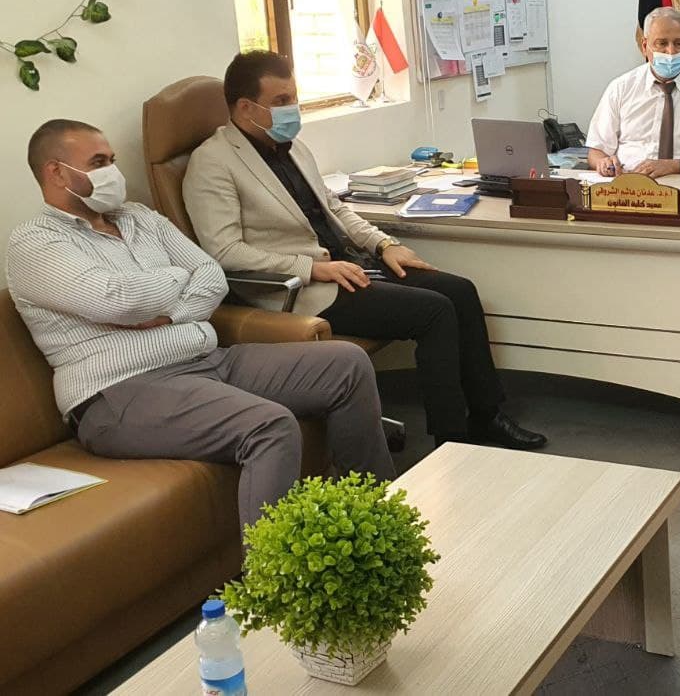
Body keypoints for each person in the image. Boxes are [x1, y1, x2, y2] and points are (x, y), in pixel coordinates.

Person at [6, 120, 396, 529]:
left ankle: (375, 526)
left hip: (205, 360)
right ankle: (272, 570)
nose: (113, 173)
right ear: (56, 172)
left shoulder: (140, 217)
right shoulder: (35, 242)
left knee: (346, 364)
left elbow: (210, 274)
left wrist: (170, 312)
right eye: (98, 162)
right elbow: (116, 301)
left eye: (113, 161)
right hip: (118, 391)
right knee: (269, 426)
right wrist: (178, 276)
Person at [183, 51, 545, 450]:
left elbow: (334, 208)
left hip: (348, 264)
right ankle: (451, 441)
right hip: (299, 289)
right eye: (281, 101)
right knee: (435, 312)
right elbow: (224, 251)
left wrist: (384, 244)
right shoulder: (212, 162)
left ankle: (486, 416)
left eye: (295, 97)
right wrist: (310, 268)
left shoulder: (292, 147)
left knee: (460, 291)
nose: (293, 109)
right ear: (245, 107)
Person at [586, 6, 680, 178]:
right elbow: (596, 151)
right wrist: (603, 163)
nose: (671, 52)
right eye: (662, 43)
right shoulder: (621, 87)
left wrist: (676, 166)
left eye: (679, 43)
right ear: (645, 46)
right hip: (628, 183)